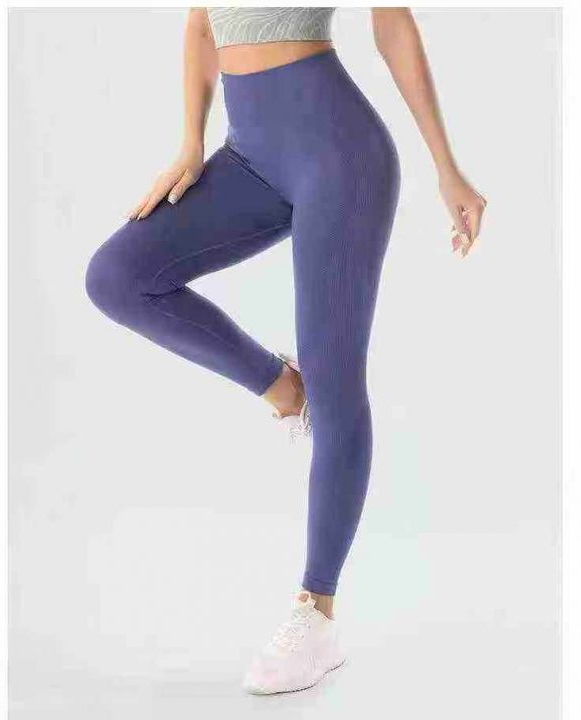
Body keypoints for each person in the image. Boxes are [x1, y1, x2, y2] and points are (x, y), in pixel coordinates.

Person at [85, 7, 487, 695]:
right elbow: (201, 21)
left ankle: (316, 613)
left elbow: (392, 25)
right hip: (247, 157)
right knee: (117, 277)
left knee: (336, 380)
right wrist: (190, 141)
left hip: (340, 155)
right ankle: (283, 388)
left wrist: (446, 169)